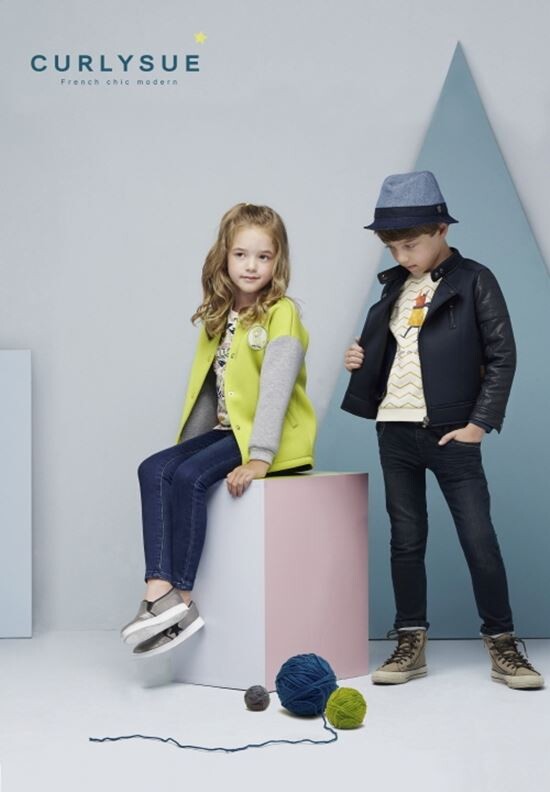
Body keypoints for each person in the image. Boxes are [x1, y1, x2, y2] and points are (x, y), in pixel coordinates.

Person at [342, 171, 543, 689]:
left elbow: (502, 356)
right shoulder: (393, 288)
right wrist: (360, 359)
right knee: (405, 540)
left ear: (441, 230)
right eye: (392, 247)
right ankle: (410, 642)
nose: (402, 255)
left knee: (478, 538)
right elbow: (398, 354)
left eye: (410, 244)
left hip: (452, 432)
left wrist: (479, 424)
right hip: (395, 430)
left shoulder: (475, 280)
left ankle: (503, 644)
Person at [121, 203, 316, 657]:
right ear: (224, 256)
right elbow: (210, 389)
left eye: (264, 257)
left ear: (278, 261)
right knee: (154, 469)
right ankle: (158, 589)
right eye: (241, 255)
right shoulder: (220, 313)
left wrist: (261, 456)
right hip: (227, 431)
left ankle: (182, 600)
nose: (251, 266)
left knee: (190, 478)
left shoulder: (281, 312)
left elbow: (276, 387)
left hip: (263, 437)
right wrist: (189, 448)